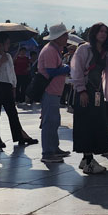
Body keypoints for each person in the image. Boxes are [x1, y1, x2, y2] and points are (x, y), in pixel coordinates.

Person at [69, 22, 108, 174]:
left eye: (105, 31)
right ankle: (89, 160)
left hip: (97, 91)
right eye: (100, 31)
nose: (103, 34)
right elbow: (76, 70)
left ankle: (86, 158)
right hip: (85, 90)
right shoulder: (84, 48)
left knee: (96, 123)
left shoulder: (105, 52)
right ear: (94, 33)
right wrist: (81, 90)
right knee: (85, 124)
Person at [0, 35, 36, 149]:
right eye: (7, 43)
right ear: (0, 45)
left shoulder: (8, 56)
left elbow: (11, 73)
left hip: (7, 86)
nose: (8, 45)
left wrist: (14, 86)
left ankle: (19, 136)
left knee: (13, 113)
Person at [37, 23, 72, 163]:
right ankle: (47, 152)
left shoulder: (54, 49)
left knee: (54, 121)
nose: (67, 38)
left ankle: (54, 148)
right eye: (64, 35)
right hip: (50, 90)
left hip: (54, 91)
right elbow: (51, 71)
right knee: (49, 122)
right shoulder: (51, 50)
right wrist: (66, 69)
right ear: (58, 37)